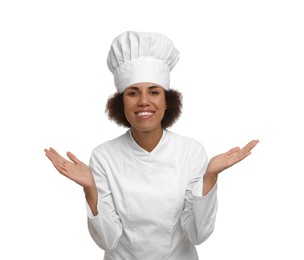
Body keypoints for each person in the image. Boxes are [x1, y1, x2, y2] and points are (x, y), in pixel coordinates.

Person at [44, 31, 259, 260]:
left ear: (167, 102)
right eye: (133, 93)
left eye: (154, 92)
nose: (144, 101)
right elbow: (107, 240)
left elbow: (198, 235)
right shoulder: (104, 155)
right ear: (121, 103)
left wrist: (210, 178)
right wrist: (90, 188)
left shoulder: (190, 151)